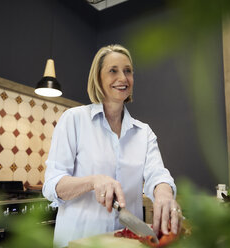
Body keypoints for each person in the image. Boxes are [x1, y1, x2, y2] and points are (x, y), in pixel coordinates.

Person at [43, 44, 182, 247]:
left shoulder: (143, 133)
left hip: (127, 242)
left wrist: (163, 193)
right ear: (98, 78)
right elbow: (52, 185)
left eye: (128, 71)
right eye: (113, 71)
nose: (123, 78)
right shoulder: (73, 120)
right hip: (77, 241)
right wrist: (93, 181)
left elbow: (157, 174)